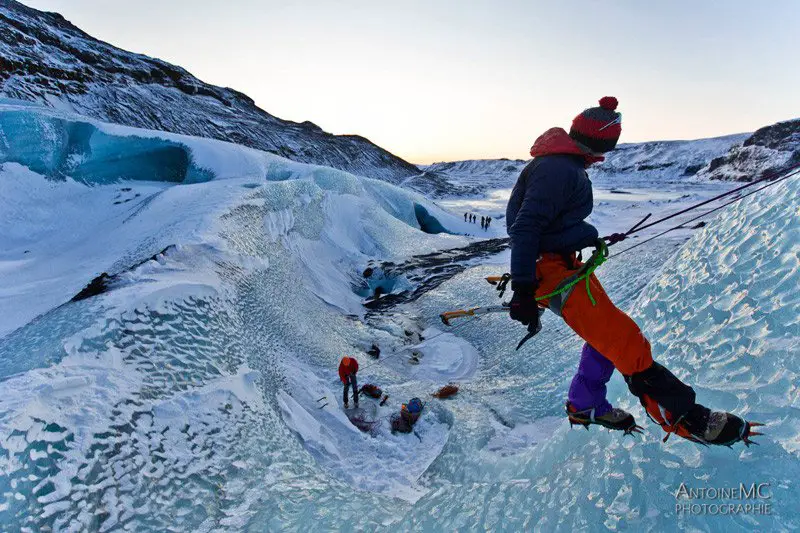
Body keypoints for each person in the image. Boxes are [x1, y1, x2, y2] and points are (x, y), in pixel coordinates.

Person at [505, 97, 759, 446]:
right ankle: (682, 416)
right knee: (625, 340)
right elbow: (525, 227)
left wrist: (583, 236)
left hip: (560, 264)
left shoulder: (562, 164)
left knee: (608, 334)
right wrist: (522, 287)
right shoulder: (559, 169)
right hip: (548, 271)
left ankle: (585, 404)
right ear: (605, 140)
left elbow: (544, 224)